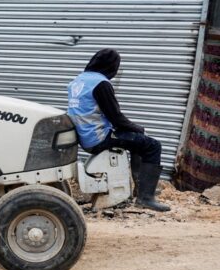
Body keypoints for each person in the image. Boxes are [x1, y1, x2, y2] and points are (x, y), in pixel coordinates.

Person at [67, 48, 169, 212]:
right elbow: (116, 118)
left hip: (85, 137)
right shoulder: (101, 84)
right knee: (153, 145)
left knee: (136, 140)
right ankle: (146, 198)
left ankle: (139, 188)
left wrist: (134, 131)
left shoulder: (78, 81)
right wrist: (138, 128)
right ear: (111, 66)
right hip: (99, 138)